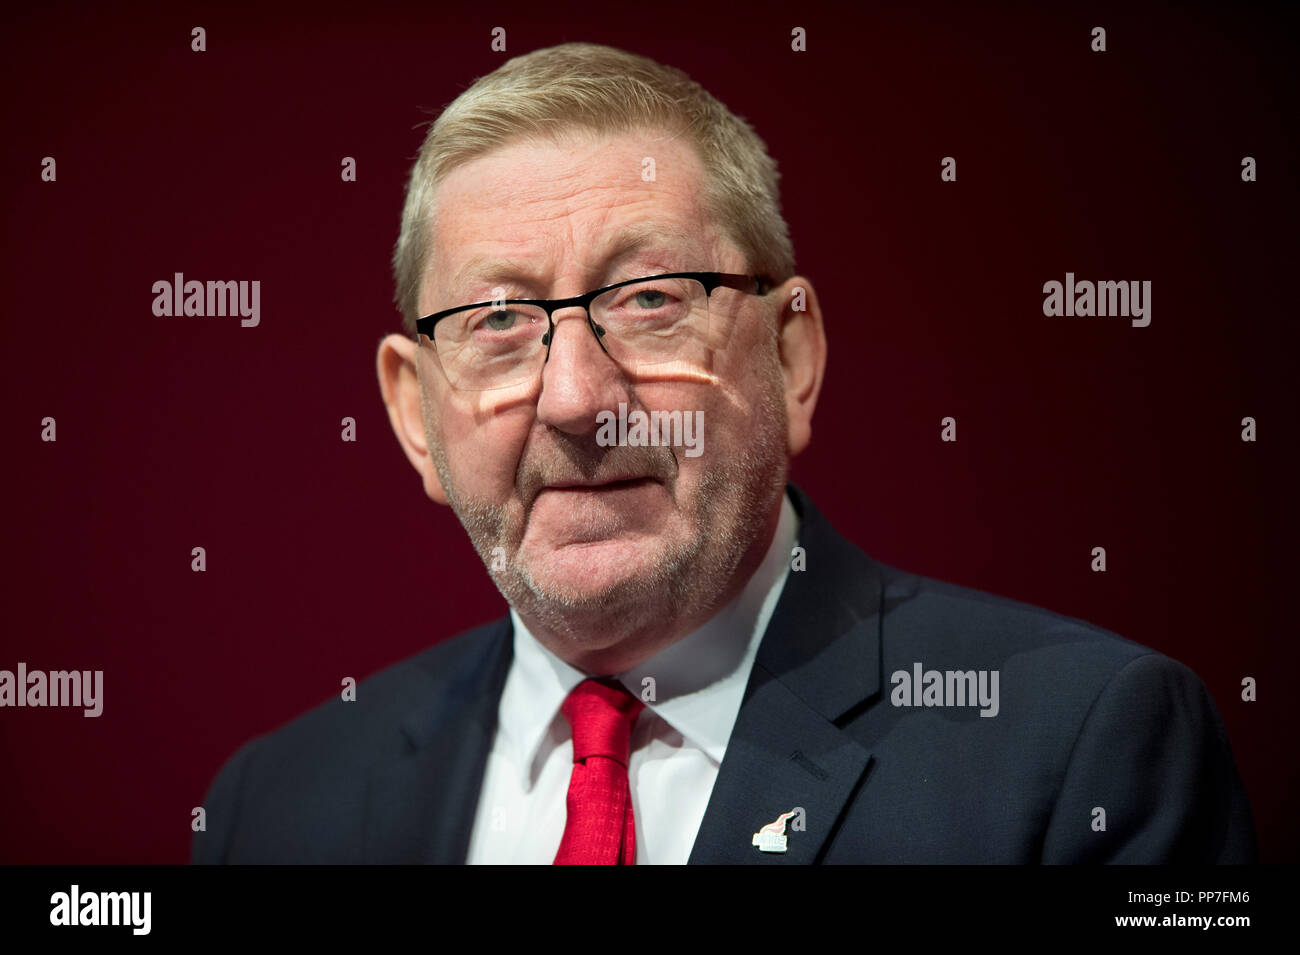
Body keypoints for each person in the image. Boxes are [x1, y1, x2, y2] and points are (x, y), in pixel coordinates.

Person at [192, 42, 1255, 864]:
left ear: (789, 357)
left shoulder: (1080, 747)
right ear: (416, 414)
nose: (576, 399)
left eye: (650, 300)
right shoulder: (276, 806)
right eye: (498, 322)